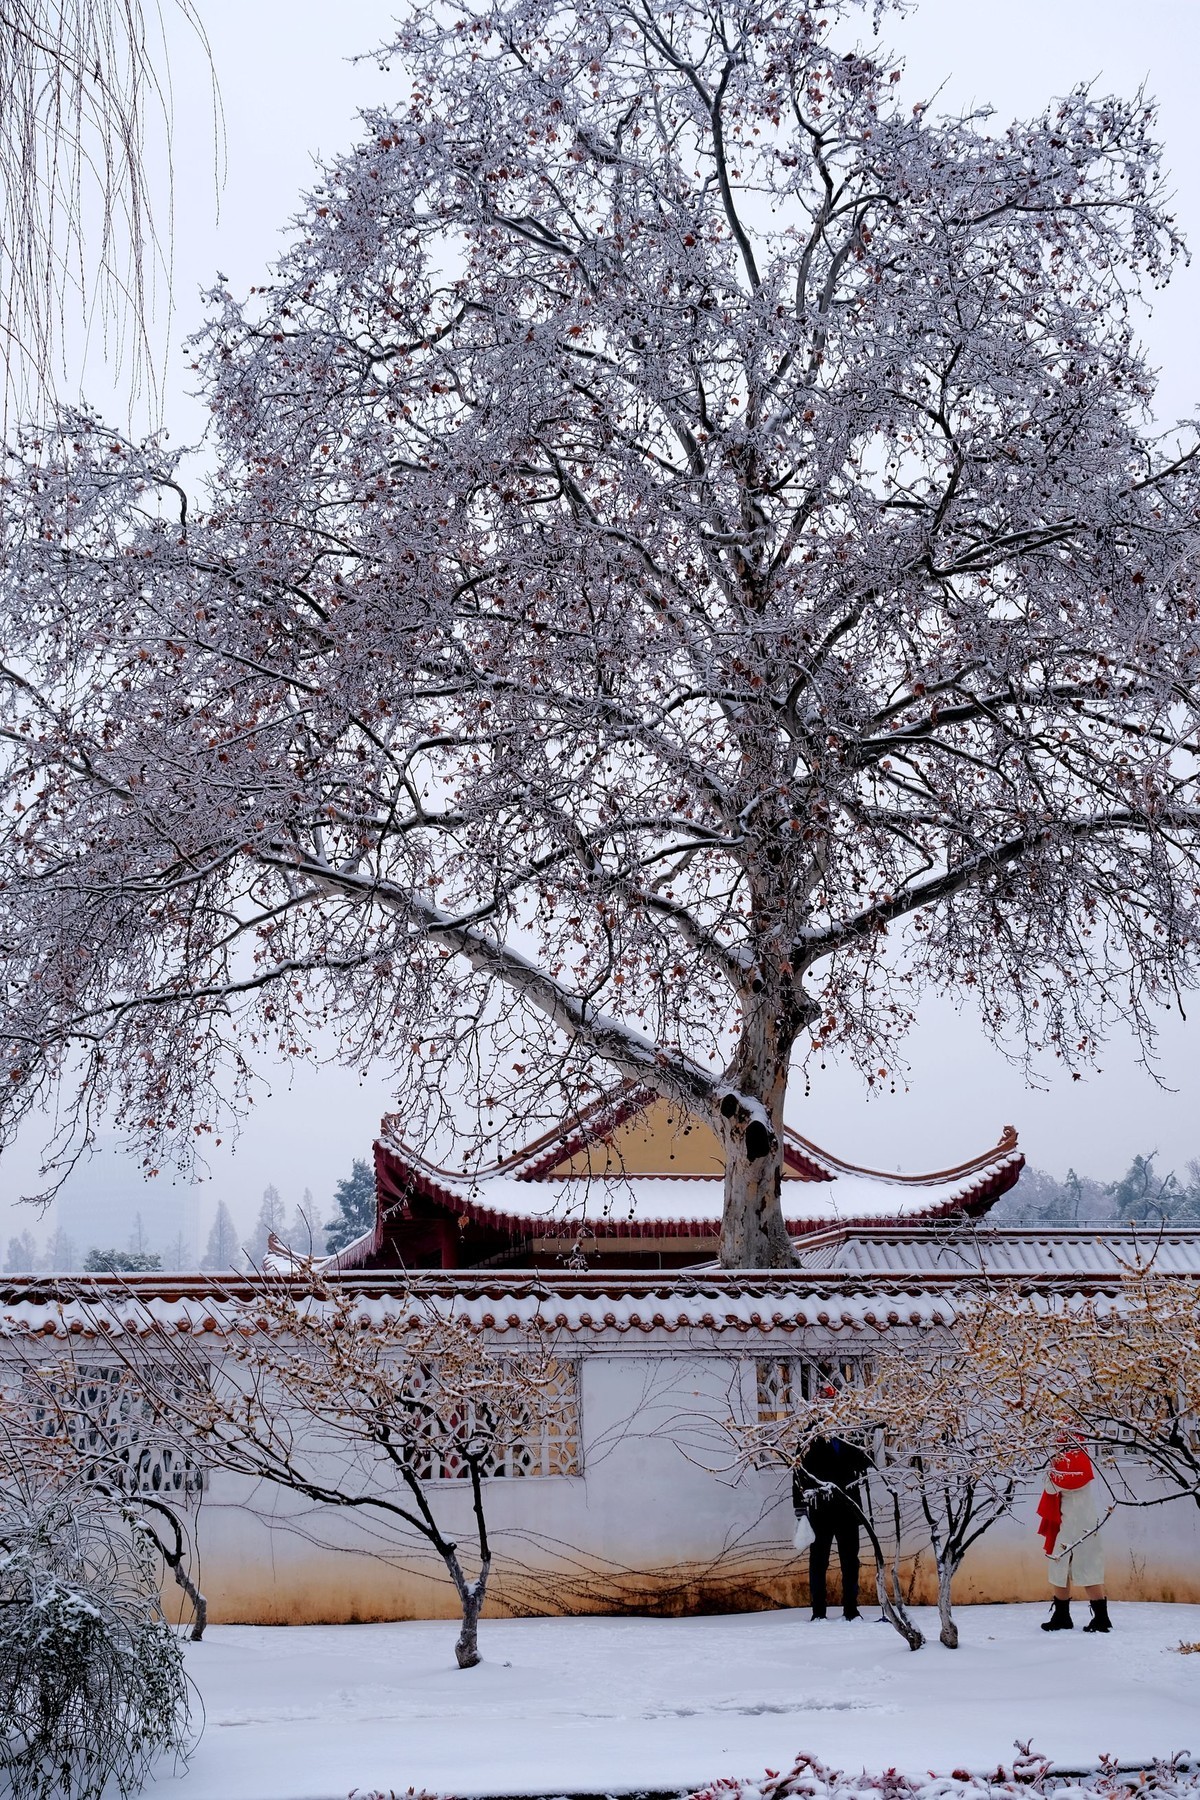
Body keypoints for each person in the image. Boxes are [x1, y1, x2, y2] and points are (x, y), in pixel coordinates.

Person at [793, 1391, 871, 1622]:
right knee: (819, 1561)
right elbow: (798, 1471)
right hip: (821, 1507)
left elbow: (862, 1463)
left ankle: (851, 1610)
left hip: (848, 1507)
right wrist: (800, 1508)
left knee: (850, 1560)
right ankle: (818, 1612)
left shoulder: (850, 1432)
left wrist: (861, 1448)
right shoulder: (809, 1435)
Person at [1037, 1434, 1111, 1633]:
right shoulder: (1082, 1459)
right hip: (1084, 1521)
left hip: (1071, 1522)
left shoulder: (1068, 1462)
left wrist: (1051, 1468)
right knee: (1086, 1565)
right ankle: (1097, 1617)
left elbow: (1051, 1487)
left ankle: (1067, 1617)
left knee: (1063, 1565)